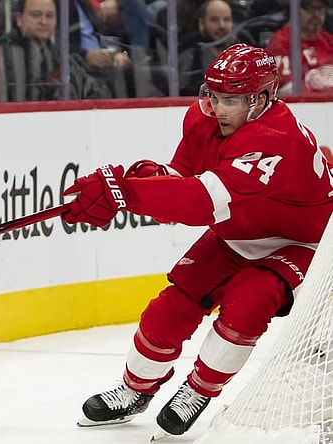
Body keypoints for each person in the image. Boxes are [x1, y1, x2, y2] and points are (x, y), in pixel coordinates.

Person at [64, 43, 333, 439]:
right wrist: (144, 177)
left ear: (260, 99)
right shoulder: (202, 117)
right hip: (237, 231)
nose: (219, 108)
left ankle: (197, 390)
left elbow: (199, 203)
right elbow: (184, 176)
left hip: (298, 241)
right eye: (214, 96)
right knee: (169, 311)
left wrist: (124, 193)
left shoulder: (276, 138)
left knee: (247, 303)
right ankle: (135, 390)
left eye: (232, 100)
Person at [0, 0, 111, 101]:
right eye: (36, 15)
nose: (43, 21)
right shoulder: (1, 53)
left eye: (49, 16)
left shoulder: (59, 56)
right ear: (19, 19)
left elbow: (94, 90)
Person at [265, 0, 333, 93]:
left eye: (320, 9)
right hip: (305, 105)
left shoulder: (328, 40)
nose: (316, 14)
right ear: (295, 10)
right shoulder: (280, 43)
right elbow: (286, 88)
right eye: (310, 9)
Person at [177, 0, 239, 96]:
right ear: (201, 23)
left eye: (227, 19)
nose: (222, 26)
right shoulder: (191, 56)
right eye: (214, 20)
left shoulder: (241, 53)